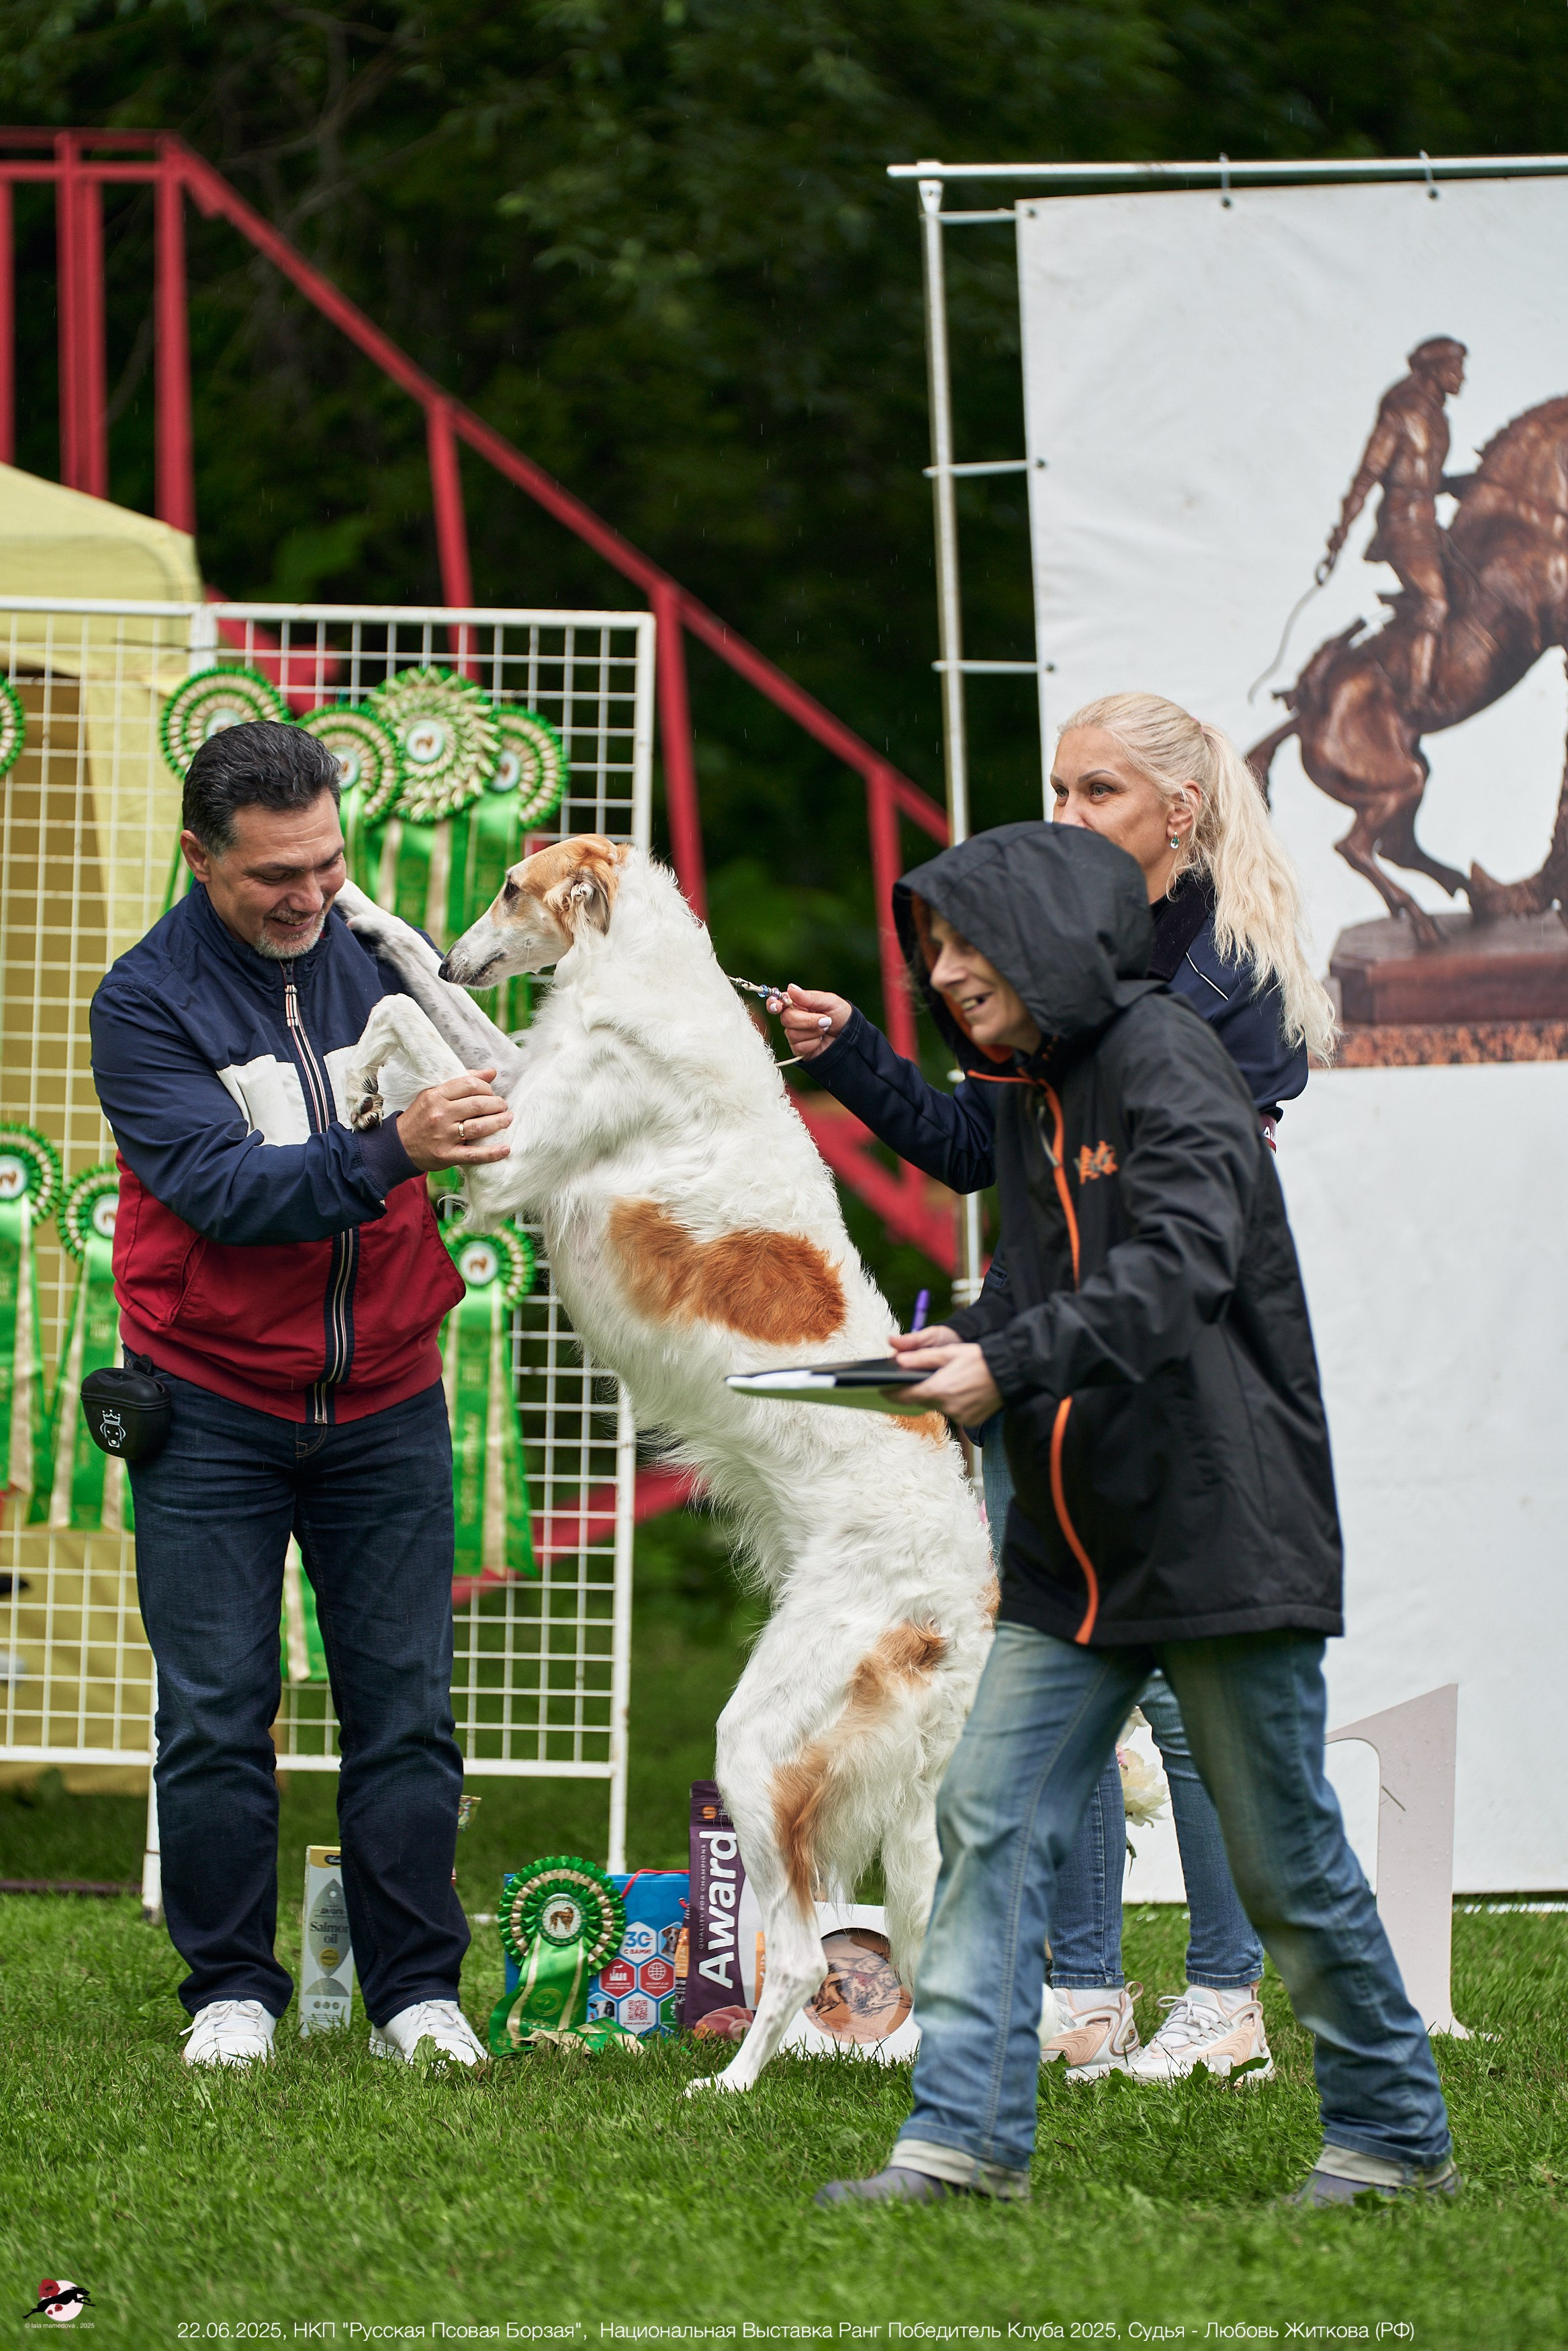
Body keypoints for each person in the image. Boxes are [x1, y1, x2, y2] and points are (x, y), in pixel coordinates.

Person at [813, 820, 1455, 2210]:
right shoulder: (1031, 1093)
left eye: (968, 938)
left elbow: (1179, 1269)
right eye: (933, 942)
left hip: (1218, 1537)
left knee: (1287, 1861)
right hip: (1072, 1554)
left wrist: (1009, 1356)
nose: (945, 967)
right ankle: (964, 2145)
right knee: (990, 1820)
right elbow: (1043, 1291)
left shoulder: (1169, 1060)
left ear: (1050, 935)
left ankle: (1396, 2140)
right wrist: (957, 1346)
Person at [775, 692, 1337, 2086]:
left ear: (1178, 815)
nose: (1066, 815)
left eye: (1098, 793)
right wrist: (851, 1049)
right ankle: (1085, 1988)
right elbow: (982, 1152)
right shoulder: (1052, 950)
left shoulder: (1225, 980)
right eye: (1058, 788)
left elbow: (1174, 1236)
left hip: (1164, 1371)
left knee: (1189, 1697)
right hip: (1035, 1366)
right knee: (1057, 1659)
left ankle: (1227, 1997)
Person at [90, 721, 513, 2072]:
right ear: (199, 856)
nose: (311, 894)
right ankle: (230, 1987)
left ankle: (414, 1993)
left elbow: (508, 1088)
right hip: (207, 1404)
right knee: (217, 1706)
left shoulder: (381, 953)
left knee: (407, 1707)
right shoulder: (143, 1001)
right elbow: (223, 1193)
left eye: (328, 861)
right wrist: (395, 1144)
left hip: (388, 1393)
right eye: (276, 872)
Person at [1322, 336, 1469, 709]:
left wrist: (1463, 483)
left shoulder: (1439, 419)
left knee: (1467, 590)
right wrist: (1341, 532)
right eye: (1455, 368)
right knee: (1436, 604)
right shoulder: (1400, 413)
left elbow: (1427, 480)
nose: (1462, 377)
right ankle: (1416, 698)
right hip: (1402, 528)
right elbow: (1369, 474)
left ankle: (1408, 657)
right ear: (1434, 371)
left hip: (1429, 526)